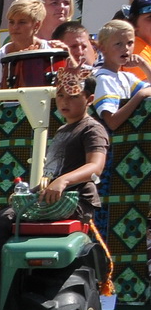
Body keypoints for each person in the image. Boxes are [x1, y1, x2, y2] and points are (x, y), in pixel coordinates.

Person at [40, 71, 110, 222]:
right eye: (60, 95)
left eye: (73, 96)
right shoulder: (61, 130)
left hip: (76, 200)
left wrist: (63, 181)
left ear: (89, 99)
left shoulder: (92, 129)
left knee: (2, 223)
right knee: (2, 220)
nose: (65, 101)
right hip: (52, 199)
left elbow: (95, 167)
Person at [94, 19, 151, 131]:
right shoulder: (104, 79)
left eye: (130, 43)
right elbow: (112, 122)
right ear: (102, 48)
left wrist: (143, 65)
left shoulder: (125, 77)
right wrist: (140, 95)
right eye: (118, 44)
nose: (125, 49)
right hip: (110, 146)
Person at [0, 0, 49, 88]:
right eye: (11, 22)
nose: (15, 27)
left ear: (37, 25)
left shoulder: (49, 51)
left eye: (22, 22)